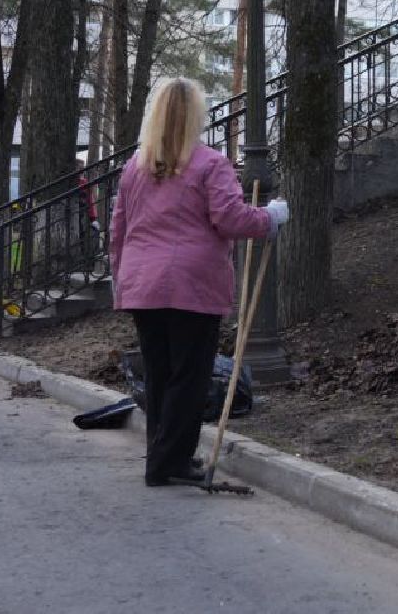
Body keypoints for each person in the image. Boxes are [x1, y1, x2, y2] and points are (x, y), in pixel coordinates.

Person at [109, 77, 290, 488]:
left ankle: (162, 456)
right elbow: (230, 219)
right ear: (195, 117)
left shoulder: (135, 167)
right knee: (189, 376)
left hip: (142, 283)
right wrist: (272, 217)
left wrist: (121, 280)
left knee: (160, 375)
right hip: (190, 284)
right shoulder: (209, 163)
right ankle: (168, 462)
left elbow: (118, 230)